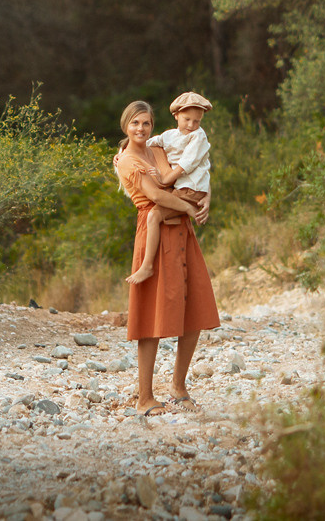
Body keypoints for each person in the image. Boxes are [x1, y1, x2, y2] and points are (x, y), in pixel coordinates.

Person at [113, 100, 221, 415]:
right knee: (150, 316)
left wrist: (205, 199)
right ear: (126, 125)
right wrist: (189, 206)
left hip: (182, 233)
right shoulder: (128, 160)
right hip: (155, 235)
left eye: (146, 123)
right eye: (135, 124)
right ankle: (144, 397)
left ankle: (178, 386)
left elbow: (195, 171)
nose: (141, 129)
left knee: (195, 307)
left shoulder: (158, 149)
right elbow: (158, 195)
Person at [125, 92, 213, 285]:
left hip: (190, 189)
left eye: (196, 121)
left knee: (154, 216)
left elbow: (188, 164)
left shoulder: (198, 136)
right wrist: (122, 151)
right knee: (156, 216)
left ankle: (147, 266)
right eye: (187, 119)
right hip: (183, 188)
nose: (191, 125)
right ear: (176, 116)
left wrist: (166, 179)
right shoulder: (169, 136)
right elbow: (148, 143)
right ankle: (149, 265)